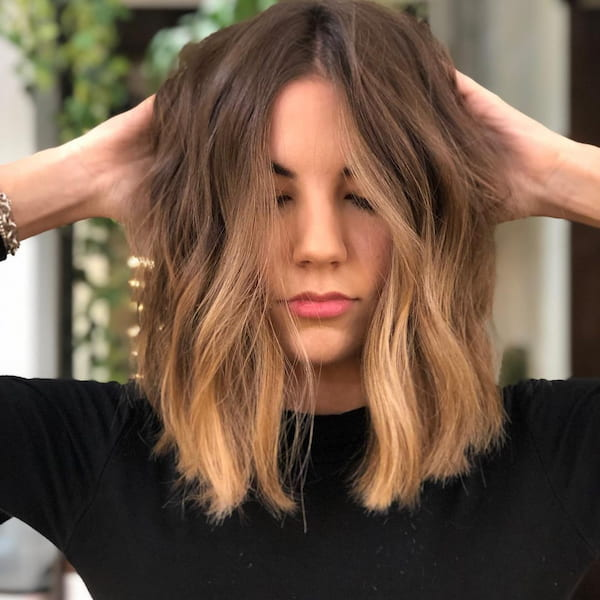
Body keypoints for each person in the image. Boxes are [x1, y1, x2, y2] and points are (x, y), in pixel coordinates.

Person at [0, 0, 599, 598]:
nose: (320, 247)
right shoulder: (93, 454)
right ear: (216, 225)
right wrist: (81, 176)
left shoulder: (558, 455)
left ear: (425, 218)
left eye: (365, 196)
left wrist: (558, 173)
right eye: (272, 198)